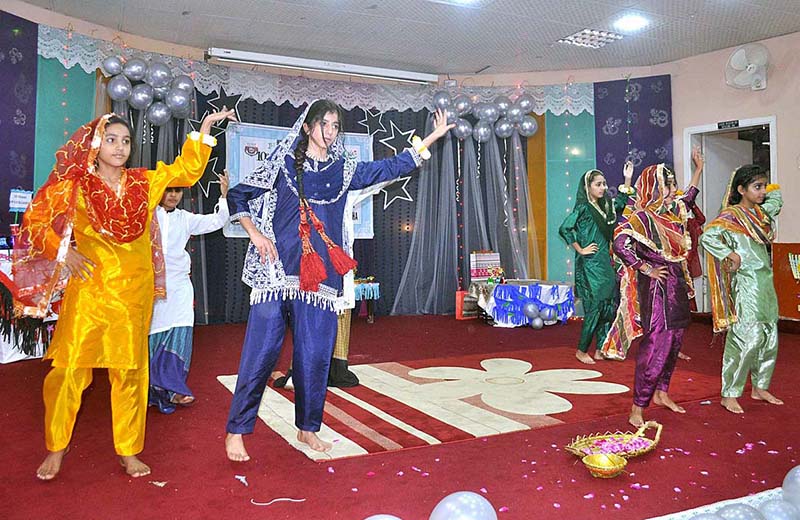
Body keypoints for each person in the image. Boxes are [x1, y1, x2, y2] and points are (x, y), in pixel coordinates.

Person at [224, 99, 452, 460]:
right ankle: (237, 430)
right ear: (307, 126)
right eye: (325, 125)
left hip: (320, 280)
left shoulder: (343, 169)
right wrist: (255, 233)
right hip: (276, 273)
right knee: (262, 354)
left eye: (335, 126)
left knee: (315, 357)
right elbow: (238, 194)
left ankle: (308, 428)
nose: (330, 133)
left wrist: (429, 140)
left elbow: (387, 167)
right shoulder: (281, 162)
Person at [15, 108, 234, 480]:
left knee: (130, 373)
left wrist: (206, 130)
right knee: (68, 371)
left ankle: (129, 450)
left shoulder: (143, 183)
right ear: (96, 144)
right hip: (90, 294)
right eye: (112, 139)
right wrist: (64, 250)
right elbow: (34, 219)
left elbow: (185, 170)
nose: (119, 147)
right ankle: (56, 447)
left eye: (126, 141)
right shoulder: (77, 184)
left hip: (133, 293)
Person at [602, 149, 704, 427]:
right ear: (655, 187)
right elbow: (620, 242)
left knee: (676, 342)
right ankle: (637, 407)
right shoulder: (642, 217)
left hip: (677, 284)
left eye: (672, 185)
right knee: (657, 344)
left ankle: (662, 393)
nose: (673, 190)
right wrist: (645, 267)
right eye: (668, 185)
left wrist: (699, 169)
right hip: (657, 287)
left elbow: (688, 197)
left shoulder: (670, 214)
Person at [699, 165, 783, 414]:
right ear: (741, 189)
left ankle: (759, 387)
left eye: (763, 186)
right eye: (757, 187)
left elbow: (776, 201)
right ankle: (730, 393)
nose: (762, 192)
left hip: (765, 282)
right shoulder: (731, 216)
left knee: (770, 336)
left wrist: (772, 190)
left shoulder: (760, 215)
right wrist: (729, 253)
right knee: (747, 337)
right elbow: (707, 237)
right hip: (746, 284)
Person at [148, 171, 230, 414]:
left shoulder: (185, 218)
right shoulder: (146, 216)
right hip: (151, 287)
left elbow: (217, 221)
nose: (173, 195)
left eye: (177, 190)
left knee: (179, 335)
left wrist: (224, 196)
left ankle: (174, 389)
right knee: (152, 338)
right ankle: (149, 388)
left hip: (180, 287)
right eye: (169, 189)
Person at [559, 162, 633, 364]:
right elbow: (565, 228)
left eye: (603, 184)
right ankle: (582, 350)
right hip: (591, 264)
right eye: (598, 184)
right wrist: (580, 249)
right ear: (587, 187)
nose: (602, 188)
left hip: (605, 262)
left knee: (609, 307)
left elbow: (621, 204)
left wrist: (627, 179)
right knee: (595, 307)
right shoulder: (583, 208)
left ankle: (600, 349)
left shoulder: (606, 206)